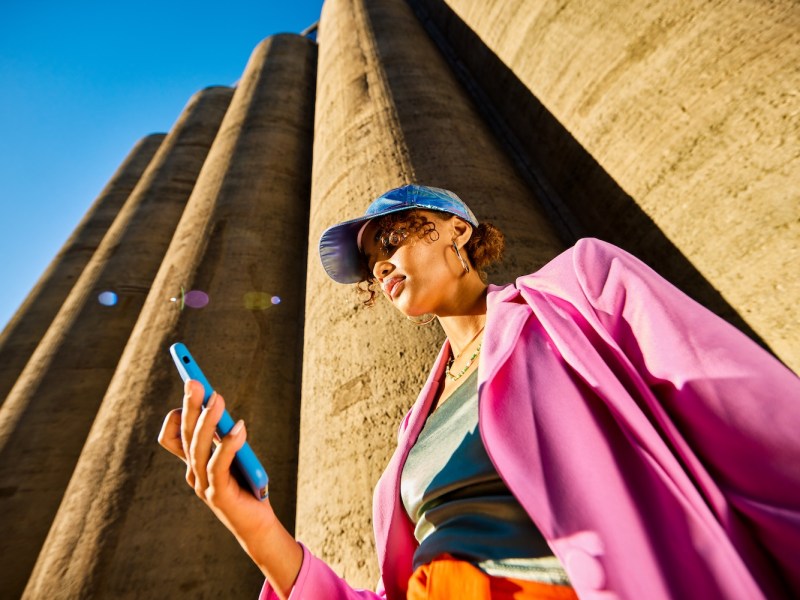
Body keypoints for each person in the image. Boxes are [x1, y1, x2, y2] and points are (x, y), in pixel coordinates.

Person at [159, 184, 800, 600]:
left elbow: (751, 415)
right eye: (371, 265)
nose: (380, 266)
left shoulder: (580, 288)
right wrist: (254, 525)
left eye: (390, 240)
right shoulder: (414, 429)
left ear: (455, 230)